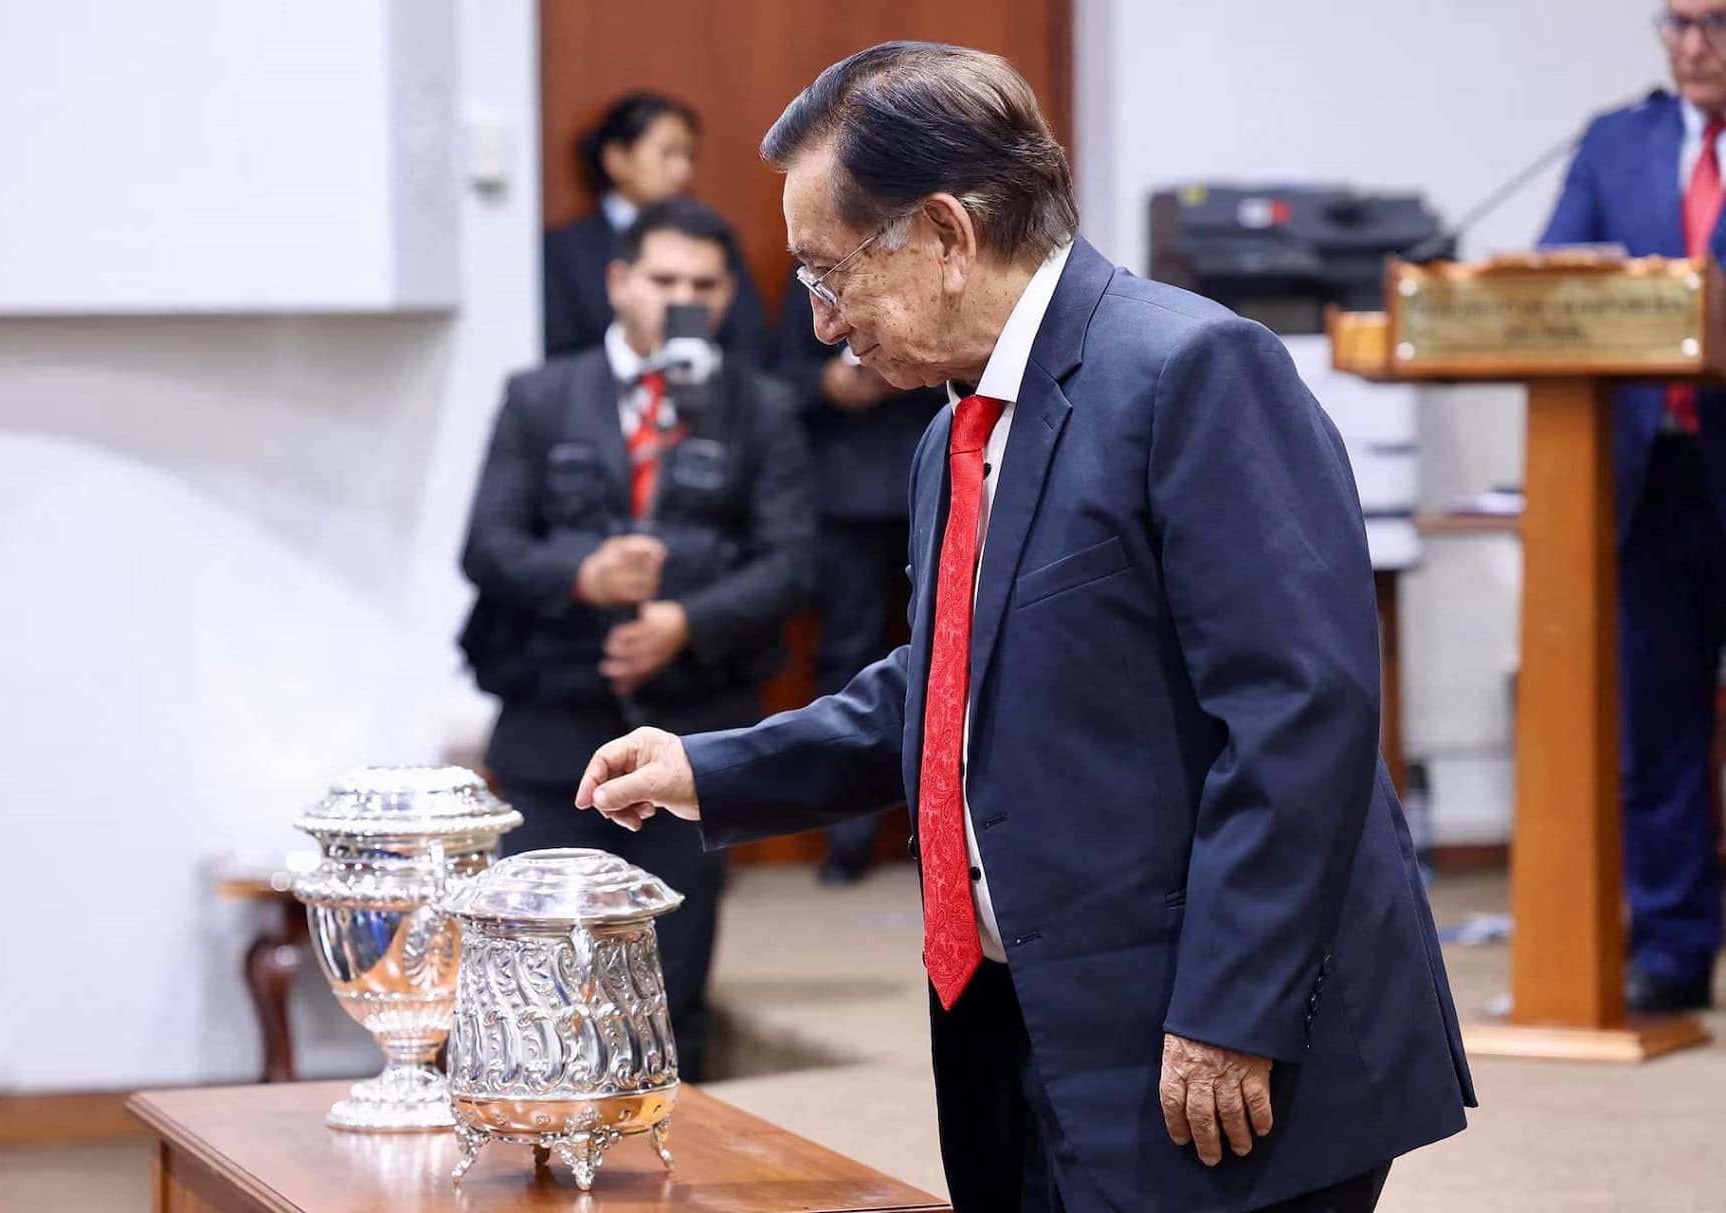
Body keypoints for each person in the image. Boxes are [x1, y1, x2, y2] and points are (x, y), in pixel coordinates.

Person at [574, 43, 1473, 1213]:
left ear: (946, 234)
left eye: (828, 273)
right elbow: (951, 680)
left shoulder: (1189, 370)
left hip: (1214, 1035)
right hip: (1038, 1022)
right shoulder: (951, 432)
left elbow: (1297, 714)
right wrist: (713, 766)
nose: (824, 323)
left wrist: (1231, 1011)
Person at [459, 198, 815, 1082]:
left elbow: (793, 564)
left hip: (696, 734)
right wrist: (584, 575)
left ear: (728, 295)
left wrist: (684, 622)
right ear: (620, 281)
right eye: (664, 279)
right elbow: (487, 547)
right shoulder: (541, 397)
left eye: (704, 283)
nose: (682, 298)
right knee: (535, 979)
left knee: (670, 985)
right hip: (554, 725)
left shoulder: (759, 406)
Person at [1538, 0, 1726, 1014]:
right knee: (1656, 727)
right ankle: (1672, 947)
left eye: (1715, 22)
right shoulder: (1617, 142)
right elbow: (1548, 282)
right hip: (1651, 475)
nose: (1692, 45)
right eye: (1677, 22)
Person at [773, 276, 946, 885]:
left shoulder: (929, 267)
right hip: (843, 497)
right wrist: (827, 384)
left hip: (934, 475)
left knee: (949, 656)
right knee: (848, 656)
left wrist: (904, 373)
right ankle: (847, 838)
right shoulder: (816, 274)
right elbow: (778, 376)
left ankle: (944, 829)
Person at [544, 92, 770, 367]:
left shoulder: (712, 239)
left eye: (689, 156)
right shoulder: (563, 251)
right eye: (668, 154)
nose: (683, 170)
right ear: (617, 159)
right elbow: (557, 353)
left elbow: (748, 340)